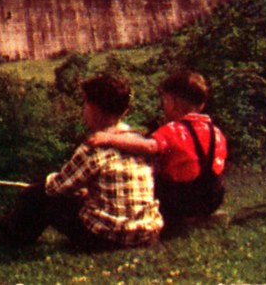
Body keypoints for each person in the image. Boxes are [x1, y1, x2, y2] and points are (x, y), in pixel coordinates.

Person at [0, 73, 163, 250]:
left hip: (107, 238)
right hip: (144, 233)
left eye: (85, 104)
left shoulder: (94, 146)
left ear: (94, 109)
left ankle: (10, 234)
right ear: (125, 111)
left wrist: (39, 184)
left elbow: (56, 188)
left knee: (41, 193)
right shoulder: (137, 141)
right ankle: (11, 229)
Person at [87, 69, 227, 229]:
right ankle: (201, 218)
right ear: (201, 104)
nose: (163, 106)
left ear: (173, 102)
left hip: (182, 198)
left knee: (151, 176)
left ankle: (172, 220)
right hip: (212, 196)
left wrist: (111, 138)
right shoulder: (215, 131)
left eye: (165, 101)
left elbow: (150, 146)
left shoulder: (172, 130)